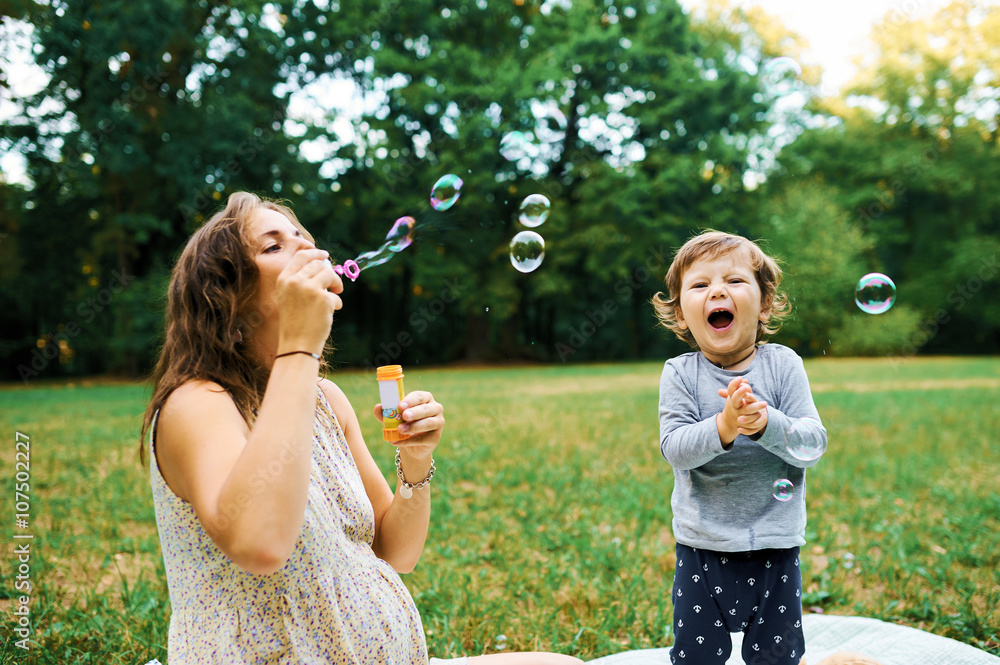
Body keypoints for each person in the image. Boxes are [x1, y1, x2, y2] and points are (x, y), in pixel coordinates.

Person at [140, 192, 582, 665]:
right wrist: (300, 348)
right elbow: (261, 543)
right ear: (225, 297)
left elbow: (396, 554)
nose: (313, 253)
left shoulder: (325, 401)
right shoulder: (196, 404)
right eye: (274, 247)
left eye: (304, 238)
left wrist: (415, 462)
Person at [650, 230, 827, 665]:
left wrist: (766, 423)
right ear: (681, 314)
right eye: (700, 285)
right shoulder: (680, 374)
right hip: (701, 545)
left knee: (776, 656)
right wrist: (724, 426)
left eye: (733, 280)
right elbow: (674, 449)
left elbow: (813, 443)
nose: (717, 292)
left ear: (765, 303)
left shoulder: (784, 365)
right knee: (696, 655)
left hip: (775, 542)